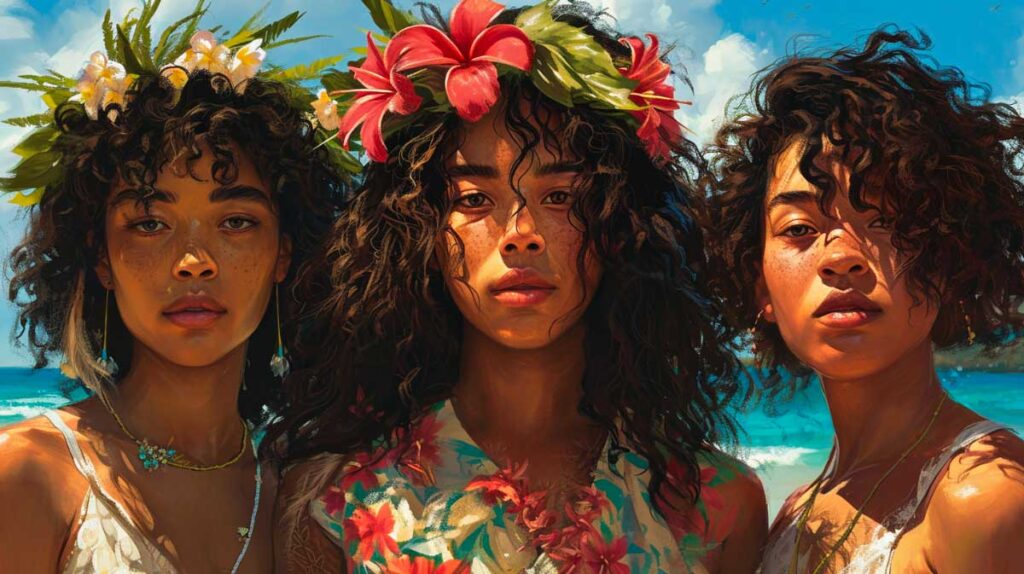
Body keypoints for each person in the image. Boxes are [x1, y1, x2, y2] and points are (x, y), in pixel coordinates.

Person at [272, 1, 768, 572]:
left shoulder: (716, 504)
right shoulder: (334, 501)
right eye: (474, 199)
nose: (521, 236)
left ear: (623, 224)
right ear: (417, 232)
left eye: (561, 198)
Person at [0, 3, 344, 572]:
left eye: (236, 222)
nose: (193, 262)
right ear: (101, 259)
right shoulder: (30, 475)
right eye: (149, 223)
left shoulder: (302, 499)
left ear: (285, 253)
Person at [704, 28, 1024, 574]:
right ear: (759, 287)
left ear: (947, 260)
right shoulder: (793, 513)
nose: (842, 256)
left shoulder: (985, 500)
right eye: (801, 227)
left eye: (885, 221)